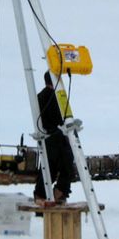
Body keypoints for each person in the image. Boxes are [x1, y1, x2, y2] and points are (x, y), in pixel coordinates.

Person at [33, 71, 74, 205]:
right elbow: (61, 118)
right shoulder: (56, 97)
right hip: (57, 136)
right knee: (67, 164)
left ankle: (41, 195)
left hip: (47, 137)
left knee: (48, 167)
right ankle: (59, 193)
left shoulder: (39, 97)